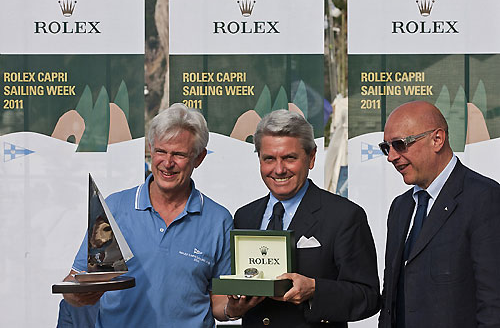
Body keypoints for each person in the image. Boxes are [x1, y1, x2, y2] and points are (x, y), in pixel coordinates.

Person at [62, 103, 256, 327]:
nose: (168, 163)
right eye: (161, 151)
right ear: (150, 149)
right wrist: (76, 295)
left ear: (199, 158)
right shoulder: (115, 208)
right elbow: (75, 280)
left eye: (179, 154)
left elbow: (219, 302)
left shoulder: (219, 220)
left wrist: (234, 308)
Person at [234, 110, 380, 327]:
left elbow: (368, 297)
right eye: (269, 159)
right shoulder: (244, 216)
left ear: (311, 157)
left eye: (289, 158)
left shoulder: (344, 216)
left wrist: (314, 290)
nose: (279, 169)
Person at [378, 101, 500, 328]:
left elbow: (494, 302)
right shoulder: (400, 207)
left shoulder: (485, 198)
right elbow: (391, 297)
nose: (391, 156)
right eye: (387, 147)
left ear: (437, 139)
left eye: (400, 144)